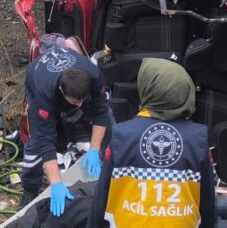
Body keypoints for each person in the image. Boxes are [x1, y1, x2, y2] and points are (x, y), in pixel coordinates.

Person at [91, 58, 215, 227]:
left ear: (147, 88)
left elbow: (101, 200)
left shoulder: (122, 135)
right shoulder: (198, 138)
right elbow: (207, 205)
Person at [21, 46, 112, 217]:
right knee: (35, 144)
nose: (79, 105)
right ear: (62, 92)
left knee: (109, 119)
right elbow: (45, 139)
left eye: (82, 101)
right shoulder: (44, 92)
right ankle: (30, 188)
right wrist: (56, 183)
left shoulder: (93, 74)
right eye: (75, 102)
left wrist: (94, 148)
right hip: (37, 79)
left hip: (74, 80)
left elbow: (101, 112)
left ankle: (109, 167)